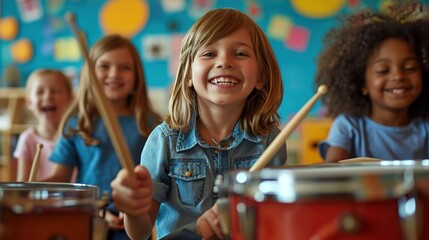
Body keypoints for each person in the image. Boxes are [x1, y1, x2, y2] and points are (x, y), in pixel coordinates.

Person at [110, 8, 287, 240]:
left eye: (241, 53)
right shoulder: (164, 140)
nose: (224, 61)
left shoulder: (271, 139)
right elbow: (140, 233)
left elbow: (275, 221)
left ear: (261, 76)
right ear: (188, 76)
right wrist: (132, 211)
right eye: (209, 54)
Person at [43, 34, 161, 240]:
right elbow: (60, 179)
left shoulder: (151, 125)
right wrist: (27, 189)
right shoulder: (77, 123)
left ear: (137, 77)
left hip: (133, 222)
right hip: (88, 218)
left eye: (125, 67)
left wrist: (134, 210)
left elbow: (157, 183)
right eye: (104, 66)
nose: (114, 74)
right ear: (90, 74)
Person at [315, 2, 429, 163]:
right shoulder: (348, 126)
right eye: (383, 70)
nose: (398, 76)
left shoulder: (425, 127)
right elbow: (333, 174)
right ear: (362, 83)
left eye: (410, 68)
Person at [13, 69, 74, 181]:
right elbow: (22, 184)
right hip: (36, 198)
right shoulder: (27, 139)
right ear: (29, 102)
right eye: (40, 92)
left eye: (56, 91)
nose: (48, 96)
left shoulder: (74, 137)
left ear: (70, 98)